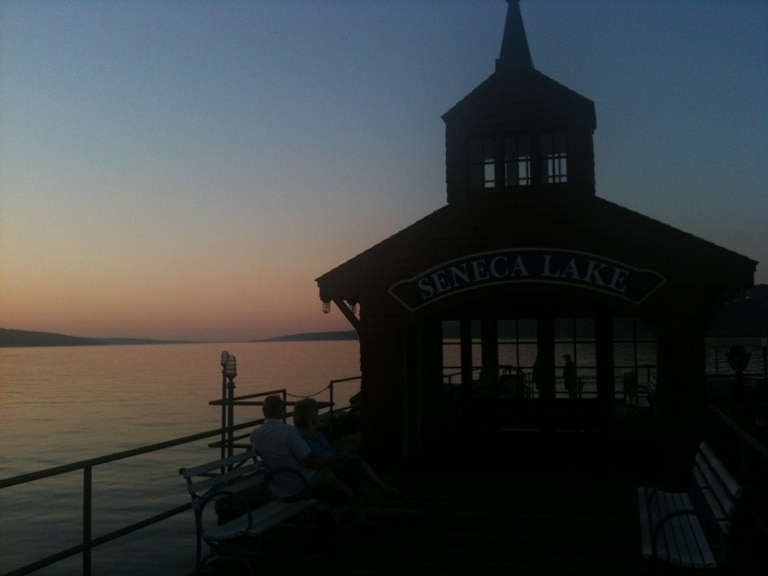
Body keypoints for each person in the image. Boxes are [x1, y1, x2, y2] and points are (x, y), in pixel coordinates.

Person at [250, 395, 353, 516]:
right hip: (299, 484)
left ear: (264, 411)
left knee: (327, 488)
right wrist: (329, 461)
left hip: (279, 489)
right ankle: (352, 519)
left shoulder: (255, 435)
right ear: (282, 411)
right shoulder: (289, 431)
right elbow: (307, 462)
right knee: (339, 486)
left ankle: (328, 514)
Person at [293, 398, 403, 500]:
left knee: (356, 472)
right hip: (324, 467)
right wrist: (334, 458)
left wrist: (338, 454)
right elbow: (310, 460)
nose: (317, 413)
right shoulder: (299, 436)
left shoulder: (316, 432)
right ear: (306, 414)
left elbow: (328, 448)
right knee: (356, 461)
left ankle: (359, 515)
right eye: (314, 411)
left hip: (333, 461)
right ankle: (384, 489)